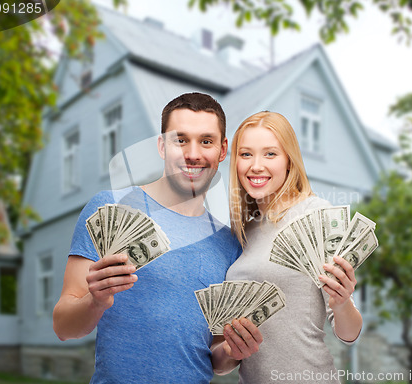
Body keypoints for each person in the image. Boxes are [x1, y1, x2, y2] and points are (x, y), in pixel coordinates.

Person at [53, 93, 262, 384]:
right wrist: (95, 301)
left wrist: (232, 350)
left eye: (206, 141)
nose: (193, 153)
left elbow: (215, 358)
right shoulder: (109, 208)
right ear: (162, 146)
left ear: (222, 149)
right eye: (180, 140)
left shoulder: (228, 245)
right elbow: (63, 326)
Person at [224, 111, 363, 383]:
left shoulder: (316, 215)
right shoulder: (244, 231)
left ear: (289, 161)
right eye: (246, 154)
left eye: (270, 154)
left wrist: (343, 302)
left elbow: (349, 334)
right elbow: (227, 355)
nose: (256, 166)